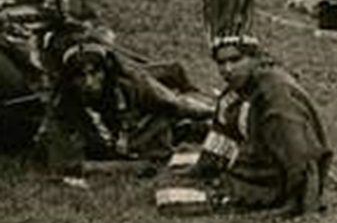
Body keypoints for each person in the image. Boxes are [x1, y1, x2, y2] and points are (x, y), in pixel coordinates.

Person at [191, 0, 333, 216]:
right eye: (221, 62)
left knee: (172, 201)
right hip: (254, 165)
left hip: (273, 180)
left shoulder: (275, 95)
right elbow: (224, 134)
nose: (227, 69)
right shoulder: (234, 93)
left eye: (236, 60)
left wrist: (300, 204)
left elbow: (300, 156)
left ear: (255, 58)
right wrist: (206, 169)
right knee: (176, 176)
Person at [38, 39, 212, 175]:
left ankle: (190, 128)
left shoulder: (130, 84)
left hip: (142, 134)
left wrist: (215, 113)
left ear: (106, 72)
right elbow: (70, 166)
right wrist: (129, 168)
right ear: (70, 80)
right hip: (109, 148)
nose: (89, 83)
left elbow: (176, 104)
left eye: (94, 73)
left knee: (175, 115)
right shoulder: (61, 106)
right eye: (80, 76)